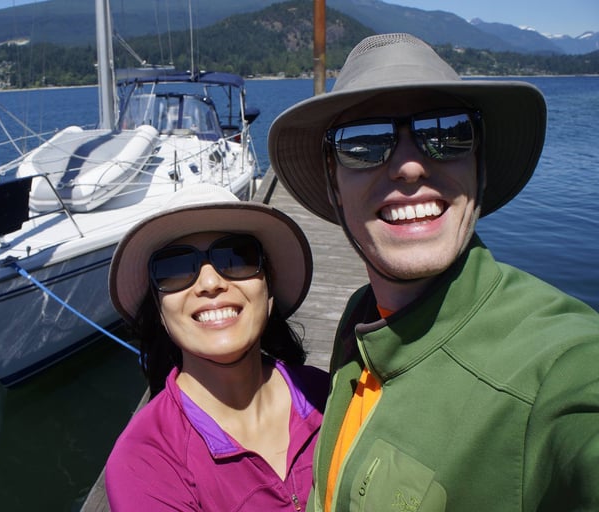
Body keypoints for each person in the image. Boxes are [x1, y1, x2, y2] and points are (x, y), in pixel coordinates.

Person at [268, 33, 599, 511]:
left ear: (479, 165)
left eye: (446, 132)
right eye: (364, 142)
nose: (408, 165)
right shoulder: (361, 319)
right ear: (333, 185)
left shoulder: (558, 368)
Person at [104, 184, 330, 510]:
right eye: (175, 268)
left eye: (237, 257)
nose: (210, 283)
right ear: (159, 310)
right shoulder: (143, 461)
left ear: (268, 290)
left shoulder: (327, 393)